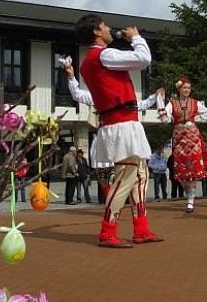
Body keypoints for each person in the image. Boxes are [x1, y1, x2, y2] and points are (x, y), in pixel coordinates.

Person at [76, 13, 163, 248]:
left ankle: (141, 228)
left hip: (120, 120)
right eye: (105, 26)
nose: (109, 29)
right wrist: (136, 38)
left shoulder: (89, 61)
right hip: (121, 122)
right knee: (126, 177)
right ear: (96, 31)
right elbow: (143, 59)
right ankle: (107, 231)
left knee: (139, 176)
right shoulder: (103, 55)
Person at [61, 62, 162, 205]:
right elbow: (77, 94)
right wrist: (71, 77)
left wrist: (154, 97)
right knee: (106, 176)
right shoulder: (97, 96)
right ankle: (110, 206)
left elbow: (140, 105)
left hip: (122, 138)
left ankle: (125, 206)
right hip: (106, 138)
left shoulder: (124, 97)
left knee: (127, 173)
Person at [157, 77, 207, 213]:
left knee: (192, 171)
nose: (186, 90)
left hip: (193, 140)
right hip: (180, 140)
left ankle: (190, 201)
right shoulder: (172, 104)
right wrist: (159, 101)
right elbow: (165, 119)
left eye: (188, 88)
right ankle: (189, 196)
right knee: (182, 171)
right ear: (179, 89)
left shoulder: (195, 103)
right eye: (184, 88)